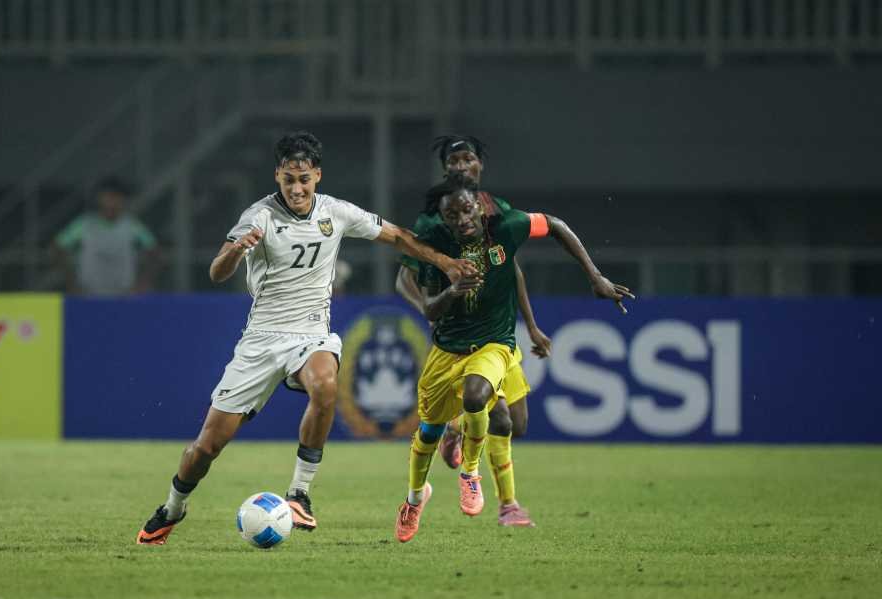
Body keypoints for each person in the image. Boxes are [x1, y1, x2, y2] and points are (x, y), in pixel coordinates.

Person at [137, 131, 477, 545]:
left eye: (304, 179)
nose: (296, 188)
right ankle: (173, 507)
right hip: (261, 341)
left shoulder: (336, 212)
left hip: (311, 334)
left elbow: (400, 236)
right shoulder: (258, 216)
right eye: (288, 180)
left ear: (317, 175)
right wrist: (235, 250)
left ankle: (299, 493)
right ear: (277, 176)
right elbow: (216, 273)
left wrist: (446, 262)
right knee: (206, 448)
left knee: (326, 383)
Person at [395, 173, 634, 543]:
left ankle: (471, 474)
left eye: (466, 210)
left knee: (482, 401)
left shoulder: (507, 225)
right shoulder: (437, 248)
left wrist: (595, 276)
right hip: (447, 350)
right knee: (427, 432)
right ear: (443, 219)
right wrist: (453, 291)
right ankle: (414, 500)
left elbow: (555, 225)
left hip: (495, 343)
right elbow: (430, 310)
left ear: (479, 205)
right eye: (452, 215)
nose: (461, 219)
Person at [395, 135, 551, 527]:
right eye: (454, 160)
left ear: (481, 165)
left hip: (499, 330)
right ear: (446, 169)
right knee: (485, 405)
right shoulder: (434, 220)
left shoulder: (497, 211)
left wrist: (531, 325)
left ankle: (458, 429)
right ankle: (507, 503)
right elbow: (404, 276)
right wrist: (432, 308)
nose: (462, 166)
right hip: (461, 335)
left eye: (469, 159)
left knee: (517, 423)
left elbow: (510, 267)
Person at [53, 176, 160, 295]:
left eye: (118, 197)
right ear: (99, 198)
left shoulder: (132, 226)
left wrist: (143, 283)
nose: (113, 202)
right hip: (90, 293)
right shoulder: (85, 224)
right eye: (109, 197)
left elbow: (155, 251)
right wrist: (71, 282)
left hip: (123, 294)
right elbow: (57, 248)